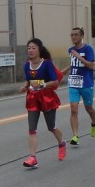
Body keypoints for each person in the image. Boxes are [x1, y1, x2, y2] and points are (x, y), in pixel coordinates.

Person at [19, 38, 66, 168]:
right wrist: (24, 87)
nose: (31, 50)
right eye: (29, 48)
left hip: (47, 98)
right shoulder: (26, 65)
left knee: (51, 127)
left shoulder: (46, 64)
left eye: (33, 48)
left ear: (39, 49)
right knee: (32, 129)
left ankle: (61, 143)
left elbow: (55, 82)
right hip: (32, 98)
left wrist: (43, 84)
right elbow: (28, 81)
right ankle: (33, 158)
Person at [61, 27, 95, 146]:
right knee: (73, 108)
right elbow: (75, 63)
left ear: (81, 36)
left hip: (86, 83)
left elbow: (90, 65)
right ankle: (75, 135)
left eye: (76, 35)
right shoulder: (71, 50)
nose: (73, 37)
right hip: (73, 83)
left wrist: (78, 56)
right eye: (71, 35)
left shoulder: (88, 49)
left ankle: (93, 122)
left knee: (89, 108)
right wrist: (66, 69)